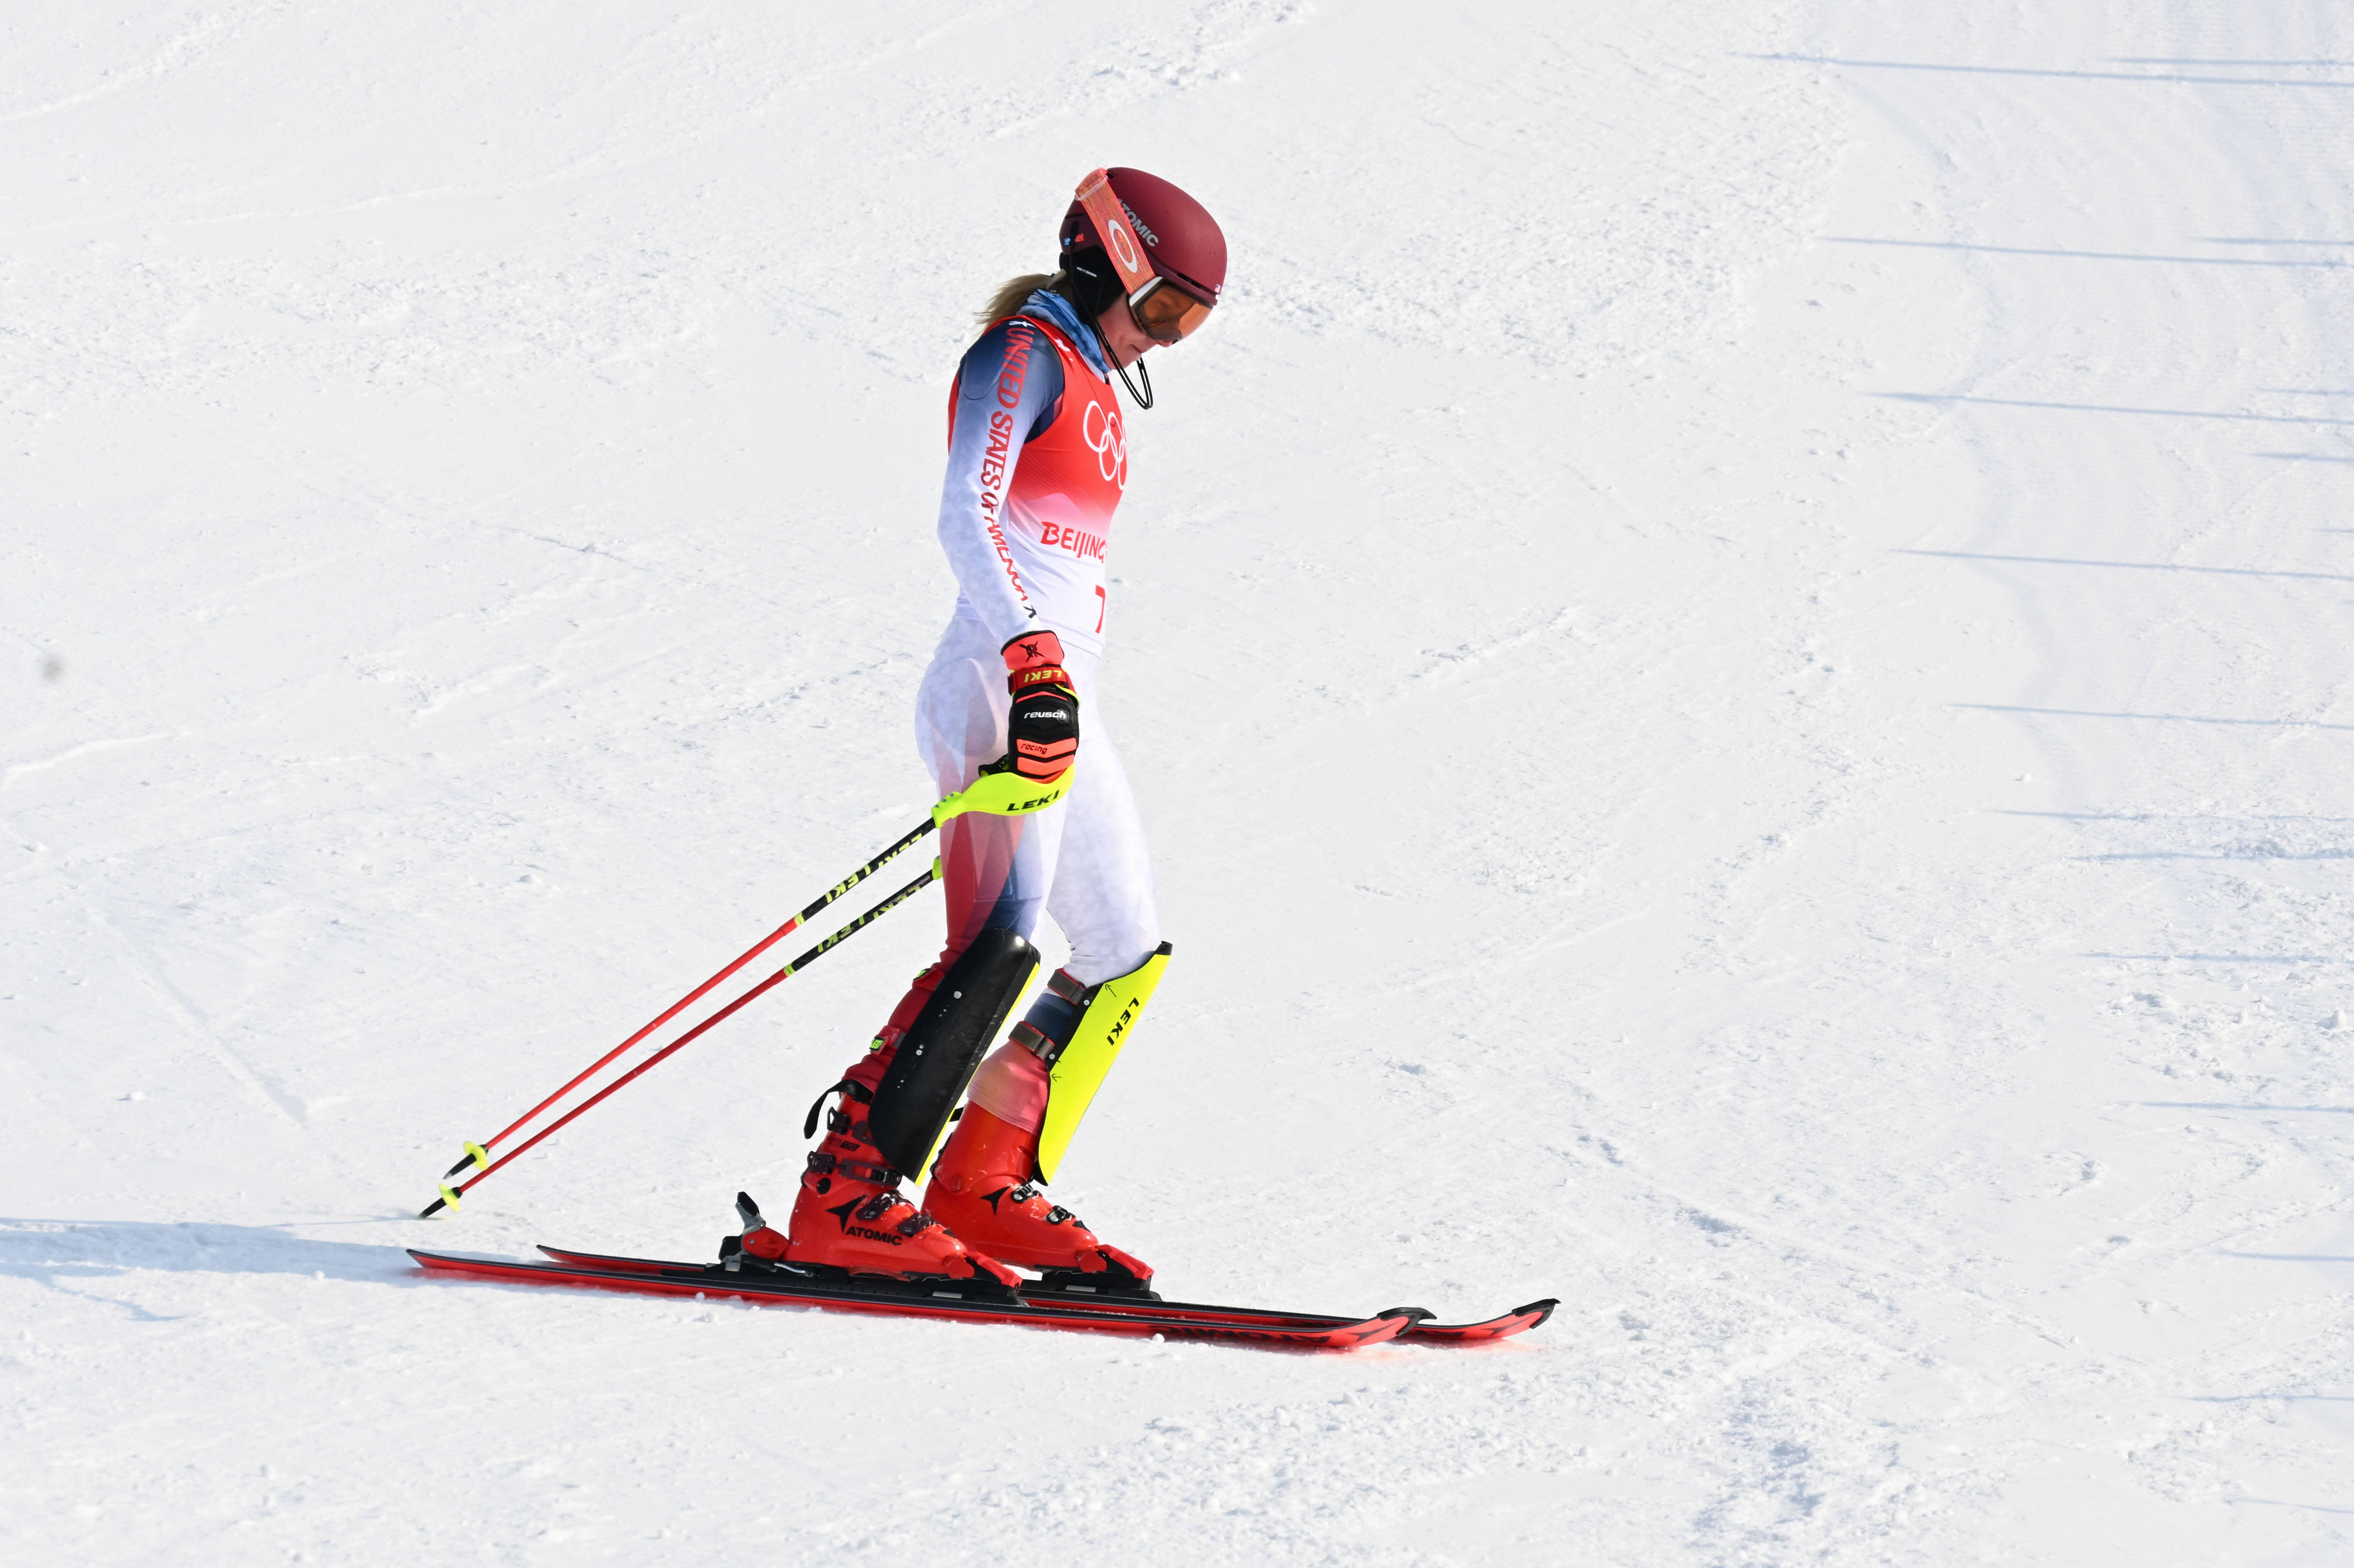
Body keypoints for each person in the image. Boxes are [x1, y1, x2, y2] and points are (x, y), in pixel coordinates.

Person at [731, 168, 1226, 1290]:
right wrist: (1029, 660)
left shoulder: (1097, 376)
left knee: (1120, 955)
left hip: (1061, 697)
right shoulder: (1024, 355)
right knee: (993, 942)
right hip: (1002, 685)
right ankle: (846, 1196)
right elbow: (965, 512)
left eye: (1190, 325)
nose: (1166, 341)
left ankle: (980, 1185)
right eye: (1160, 311)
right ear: (1103, 259)